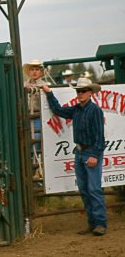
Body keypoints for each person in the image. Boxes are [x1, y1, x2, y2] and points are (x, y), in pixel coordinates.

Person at [40, 78, 106, 236]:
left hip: (90, 152)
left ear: (90, 93)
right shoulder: (76, 109)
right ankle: (93, 223)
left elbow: (100, 136)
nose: (80, 94)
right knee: (84, 189)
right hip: (80, 152)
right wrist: (49, 93)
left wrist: (95, 155)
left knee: (94, 189)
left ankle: (100, 223)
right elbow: (58, 110)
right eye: (78, 91)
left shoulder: (95, 110)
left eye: (83, 91)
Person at [23, 59, 47, 179]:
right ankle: (30, 170)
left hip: (38, 117)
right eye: (32, 69)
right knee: (26, 143)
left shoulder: (44, 85)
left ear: (41, 72)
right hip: (27, 117)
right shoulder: (25, 84)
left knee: (37, 141)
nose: (34, 72)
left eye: (37, 69)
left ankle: (37, 169)